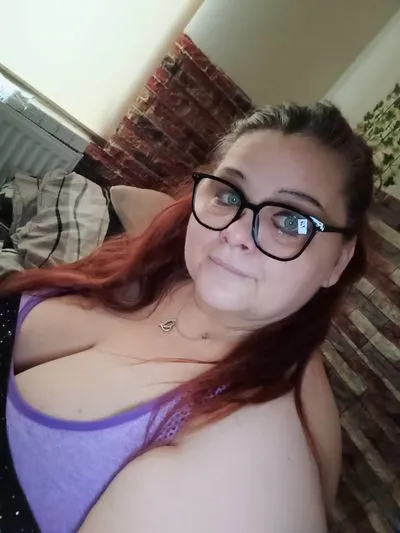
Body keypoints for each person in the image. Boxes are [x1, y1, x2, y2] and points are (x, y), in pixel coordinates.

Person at [0, 102, 375, 533]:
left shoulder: (247, 460)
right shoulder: (171, 267)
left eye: (290, 221)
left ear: (339, 261)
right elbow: (128, 197)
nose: (235, 232)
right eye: (230, 195)